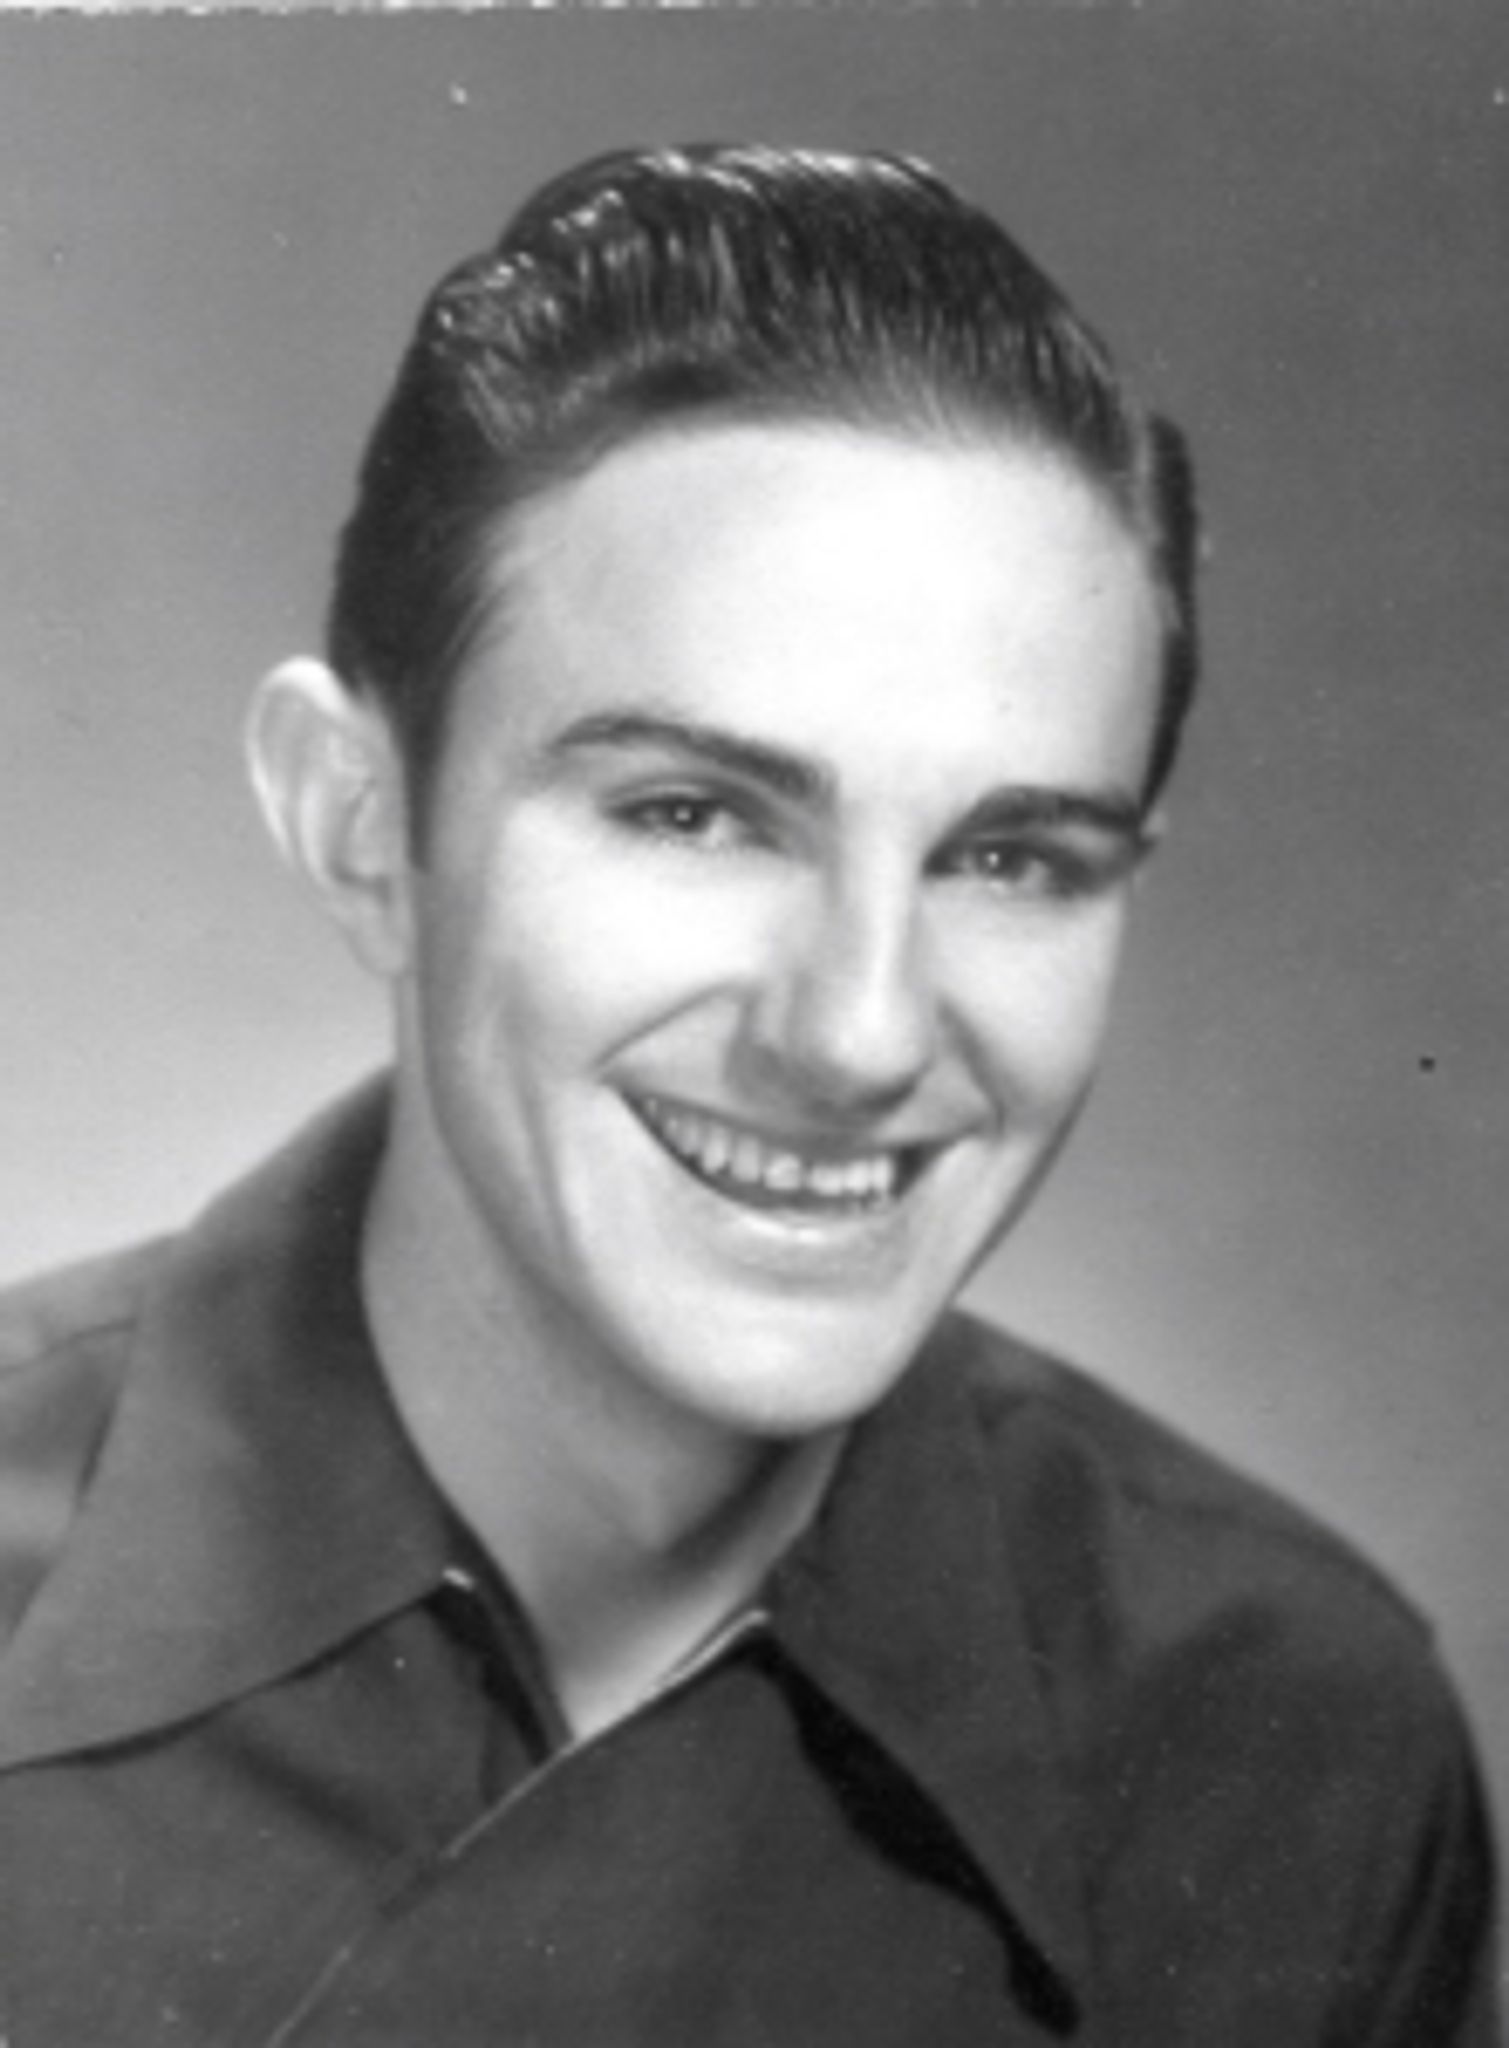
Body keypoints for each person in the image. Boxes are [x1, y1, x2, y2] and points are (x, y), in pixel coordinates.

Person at [0, 144, 1496, 2046]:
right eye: (693, 815)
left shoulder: (1291, 1745)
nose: (858, 1034)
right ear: (360, 825)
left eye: (1010, 859)